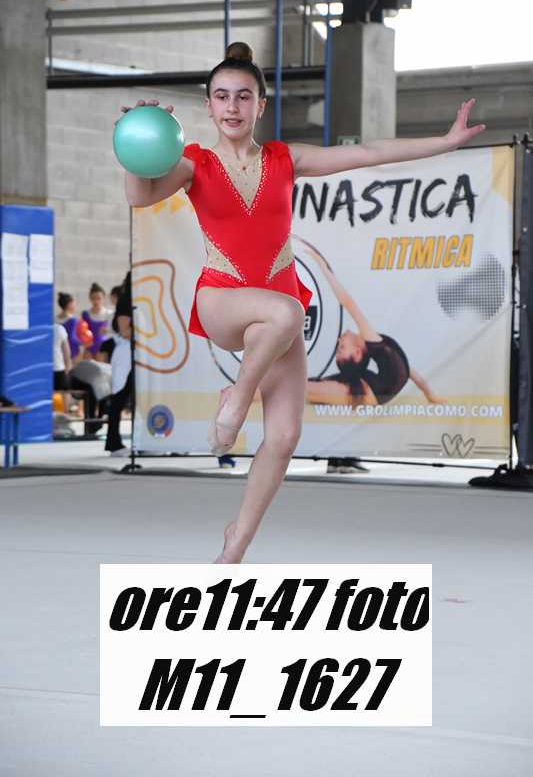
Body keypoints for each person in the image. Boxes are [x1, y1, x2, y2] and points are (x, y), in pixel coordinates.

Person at [119, 41, 485, 563]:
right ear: (208, 105)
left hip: (276, 317)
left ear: (260, 105)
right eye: (221, 96)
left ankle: (235, 545)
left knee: (286, 435)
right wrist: (136, 148)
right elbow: (139, 195)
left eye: (243, 96)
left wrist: (444, 143)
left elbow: (370, 153)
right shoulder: (194, 163)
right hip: (223, 299)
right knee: (287, 310)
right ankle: (236, 400)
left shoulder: (284, 159)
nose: (231, 107)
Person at [300, 241, 446, 407]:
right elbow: (347, 302)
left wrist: (430, 394)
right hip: (370, 393)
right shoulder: (375, 344)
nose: (339, 339)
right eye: (342, 347)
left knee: (303, 389)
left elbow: (408, 370)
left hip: (369, 393)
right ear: (357, 353)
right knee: (304, 389)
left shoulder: (379, 349)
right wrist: (322, 265)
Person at [104, 272, 133, 456]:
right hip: (125, 354)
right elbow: (125, 331)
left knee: (135, 399)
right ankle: (113, 442)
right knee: (119, 399)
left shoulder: (139, 299)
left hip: (138, 354)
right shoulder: (126, 300)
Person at [81, 282, 112, 358]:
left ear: (103, 297)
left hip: (103, 347)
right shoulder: (85, 314)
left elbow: (113, 332)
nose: (96, 301)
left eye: (98, 298)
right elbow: (82, 332)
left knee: (102, 365)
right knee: (86, 365)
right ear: (90, 298)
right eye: (93, 298)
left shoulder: (109, 313)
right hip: (89, 347)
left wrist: (107, 331)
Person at [99, 284, 123, 363]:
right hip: (110, 343)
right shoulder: (111, 314)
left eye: (112, 296)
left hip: (117, 344)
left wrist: (108, 331)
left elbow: (121, 330)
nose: (111, 298)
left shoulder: (122, 315)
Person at [56, 292, 80, 361]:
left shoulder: (55, 319)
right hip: (72, 350)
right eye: (74, 304)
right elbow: (72, 338)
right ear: (70, 304)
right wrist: (82, 342)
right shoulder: (73, 320)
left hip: (59, 350)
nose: (75, 306)